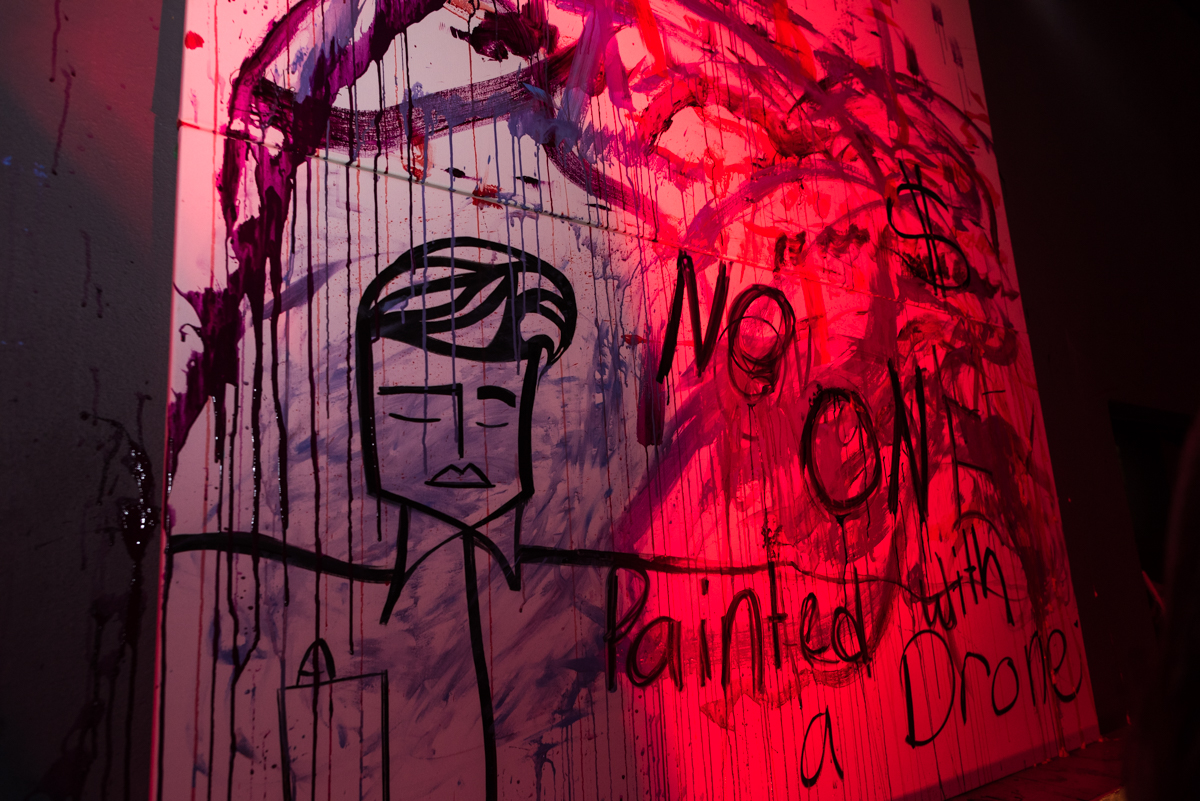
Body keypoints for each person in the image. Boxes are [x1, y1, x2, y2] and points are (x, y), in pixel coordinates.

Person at [355, 236, 576, 801]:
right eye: (418, 411)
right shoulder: (342, 625)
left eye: (493, 413)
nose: (459, 452)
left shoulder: (567, 609)